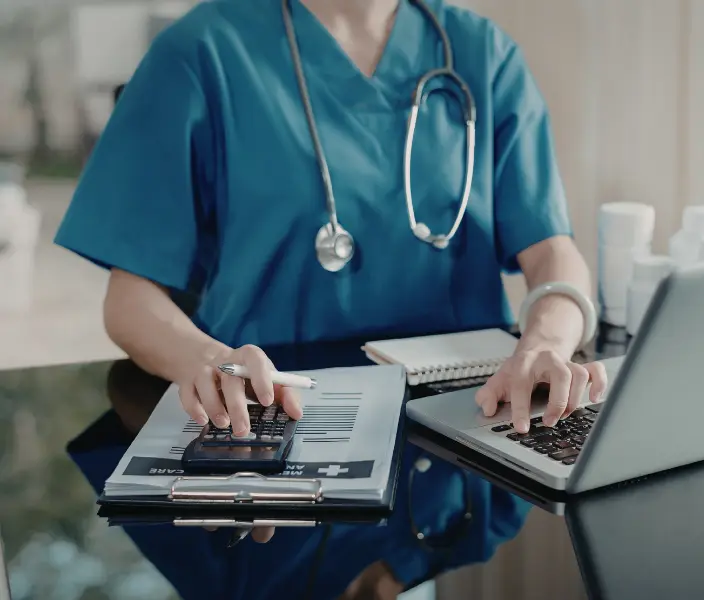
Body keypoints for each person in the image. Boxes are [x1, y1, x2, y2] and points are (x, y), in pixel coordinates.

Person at [55, 0, 608, 442]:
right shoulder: (200, 52)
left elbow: (552, 252)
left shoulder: (483, 54)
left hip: (472, 416)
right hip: (272, 411)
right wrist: (211, 363)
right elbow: (130, 300)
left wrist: (546, 346)